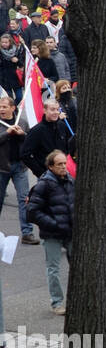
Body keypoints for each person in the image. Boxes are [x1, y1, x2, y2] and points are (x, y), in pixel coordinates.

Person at [26, 150, 74, 314]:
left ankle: (76, 300)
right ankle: (57, 303)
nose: (63, 167)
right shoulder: (43, 184)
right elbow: (32, 212)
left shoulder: (70, 181)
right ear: (51, 166)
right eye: (59, 164)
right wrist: (54, 224)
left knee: (78, 267)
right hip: (52, 234)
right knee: (53, 269)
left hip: (70, 232)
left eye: (65, 163)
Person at [0, 96, 36, 244]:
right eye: (0, 107)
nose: (1, 109)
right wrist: (7, 133)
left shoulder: (22, 122)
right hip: (2, 167)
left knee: (24, 199)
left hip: (20, 167)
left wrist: (23, 135)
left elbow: (31, 142)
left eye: (4, 107)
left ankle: (27, 233)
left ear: (13, 108)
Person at [21, 97, 75, 177]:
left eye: (58, 110)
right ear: (45, 110)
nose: (56, 112)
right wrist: (40, 172)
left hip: (65, 172)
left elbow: (69, 147)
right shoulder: (36, 131)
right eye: (52, 109)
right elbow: (25, 154)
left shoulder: (62, 126)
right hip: (47, 175)